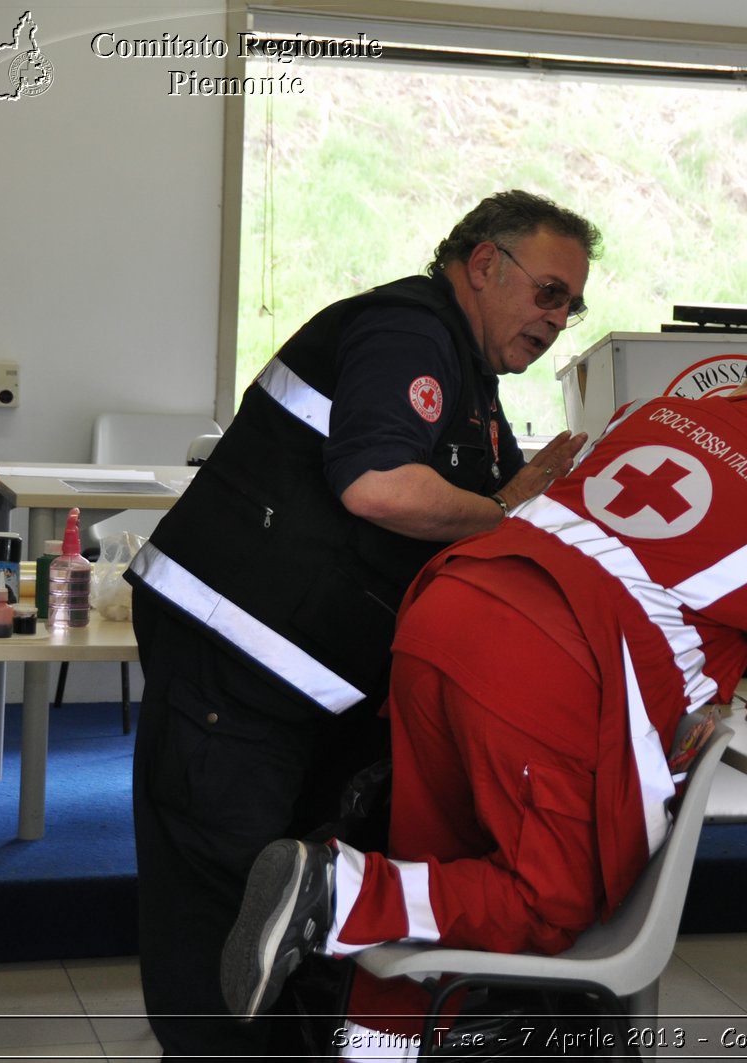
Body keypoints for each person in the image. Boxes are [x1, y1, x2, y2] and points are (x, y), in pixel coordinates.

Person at [218, 334, 747, 1056]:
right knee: (550, 898)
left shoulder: (646, 414)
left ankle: (378, 1048)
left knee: (433, 868)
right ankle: (337, 892)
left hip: (447, 605)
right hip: (545, 671)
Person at [124, 189, 599, 1058]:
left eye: (573, 305)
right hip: (234, 673)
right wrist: (509, 511)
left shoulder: (472, 381)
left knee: (277, 921)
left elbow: (471, 518)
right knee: (221, 917)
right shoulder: (408, 332)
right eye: (549, 293)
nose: (560, 320)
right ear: (486, 264)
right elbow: (379, 486)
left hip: (304, 696)